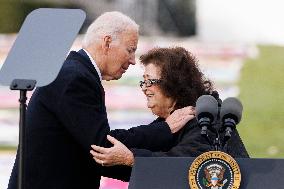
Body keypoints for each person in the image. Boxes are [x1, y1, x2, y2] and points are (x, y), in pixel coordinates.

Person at [7, 12, 194, 189]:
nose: (132, 61)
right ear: (107, 42)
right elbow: (102, 146)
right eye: (130, 50)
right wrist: (165, 129)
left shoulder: (78, 72)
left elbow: (96, 154)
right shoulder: (75, 78)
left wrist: (146, 166)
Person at [90, 47, 249, 169]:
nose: (144, 88)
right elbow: (138, 145)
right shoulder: (170, 121)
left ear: (173, 83)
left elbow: (185, 163)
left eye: (149, 81)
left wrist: (131, 159)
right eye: (143, 82)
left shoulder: (207, 117)